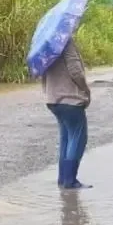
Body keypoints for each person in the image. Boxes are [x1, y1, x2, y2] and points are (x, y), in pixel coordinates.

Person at [42, 38, 91, 189]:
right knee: (78, 137)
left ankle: (63, 178)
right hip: (70, 99)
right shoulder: (66, 43)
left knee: (66, 138)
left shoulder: (47, 45)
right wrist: (85, 89)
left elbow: (41, 72)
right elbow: (75, 70)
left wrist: (48, 91)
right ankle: (70, 180)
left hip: (53, 99)